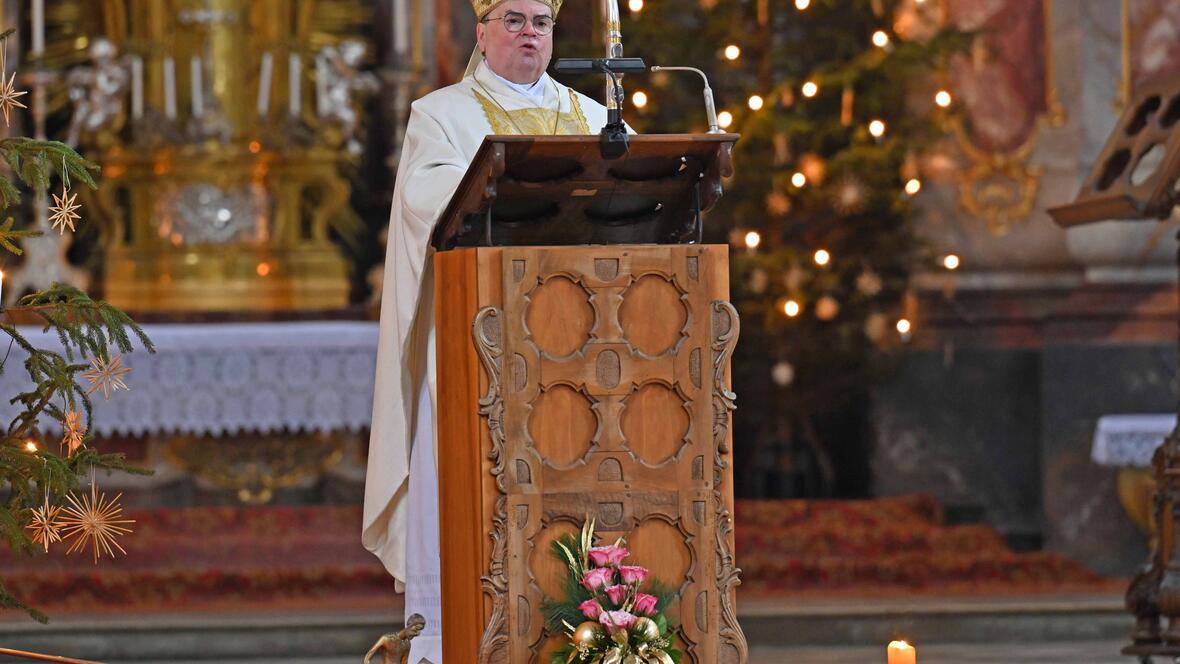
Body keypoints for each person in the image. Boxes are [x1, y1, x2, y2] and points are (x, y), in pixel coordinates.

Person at [363, 1, 617, 661]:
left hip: (586, 349)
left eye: (541, 21)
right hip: (480, 345)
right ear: (481, 31)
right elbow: (430, 206)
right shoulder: (441, 115)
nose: (529, 32)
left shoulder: (595, 119)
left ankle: (589, 633)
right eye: (513, 20)